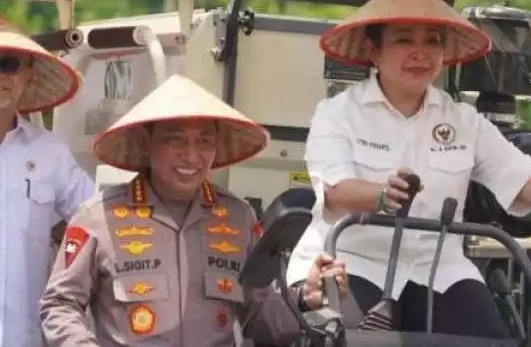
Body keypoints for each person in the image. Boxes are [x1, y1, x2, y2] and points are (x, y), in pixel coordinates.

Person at [286, 0, 531, 338]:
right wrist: (382, 195)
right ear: (373, 51)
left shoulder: (463, 120)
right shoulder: (337, 113)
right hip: (352, 262)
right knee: (355, 338)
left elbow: (521, 175)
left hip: (439, 268)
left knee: (490, 340)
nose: (420, 53)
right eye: (403, 40)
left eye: (432, 41)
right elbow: (334, 192)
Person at [40, 74, 349, 347]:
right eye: (175, 140)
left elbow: (262, 318)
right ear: (147, 142)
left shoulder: (237, 217)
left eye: (204, 142)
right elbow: (60, 304)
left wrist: (305, 298)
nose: (191, 156)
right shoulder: (99, 217)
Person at [0, 17, 94, 347]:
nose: (1, 75)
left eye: (9, 64)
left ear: (29, 74)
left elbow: (96, 220)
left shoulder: (50, 152)